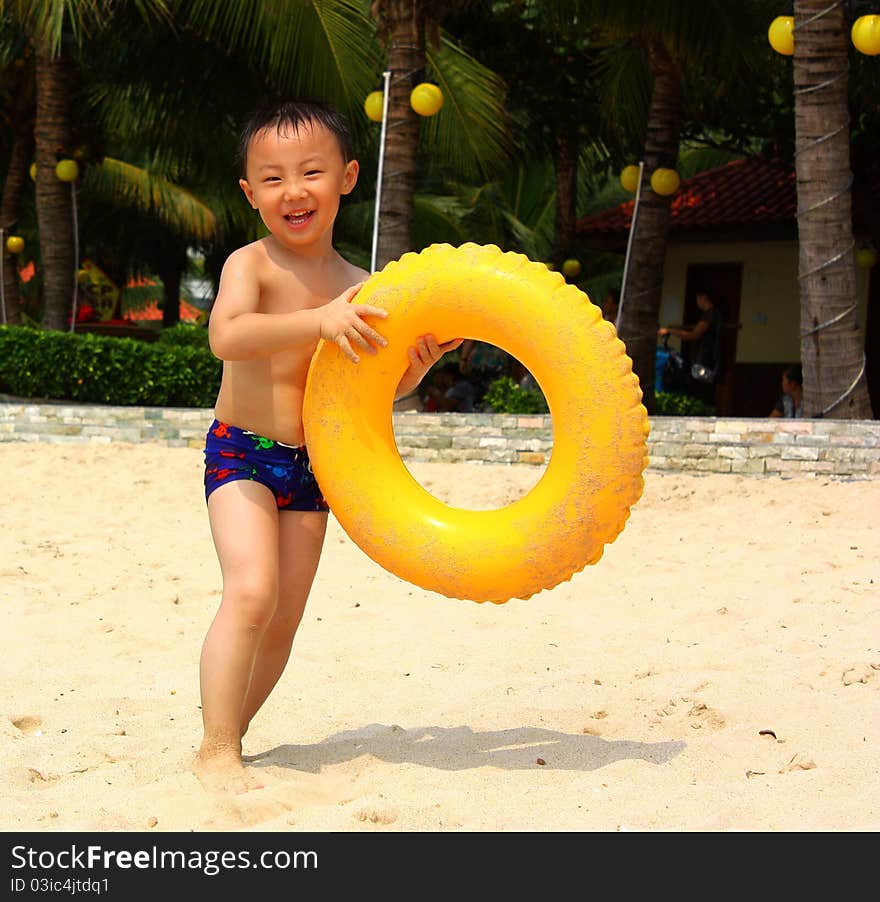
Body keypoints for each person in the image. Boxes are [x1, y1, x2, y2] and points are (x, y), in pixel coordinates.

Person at [197, 99, 460, 793]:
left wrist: (415, 368)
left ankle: (235, 733)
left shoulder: (362, 288)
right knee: (252, 592)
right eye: (274, 177)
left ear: (345, 177)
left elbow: (371, 392)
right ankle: (216, 748)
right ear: (251, 194)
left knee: (283, 619)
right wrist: (317, 320)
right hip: (243, 452)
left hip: (315, 469)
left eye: (310, 172)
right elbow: (226, 336)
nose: (294, 190)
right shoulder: (249, 265)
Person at [657, 288, 724, 405]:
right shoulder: (711, 315)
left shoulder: (711, 315)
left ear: (704, 297)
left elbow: (693, 335)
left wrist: (670, 330)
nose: (697, 301)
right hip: (705, 362)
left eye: (698, 298)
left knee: (702, 396)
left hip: (706, 363)